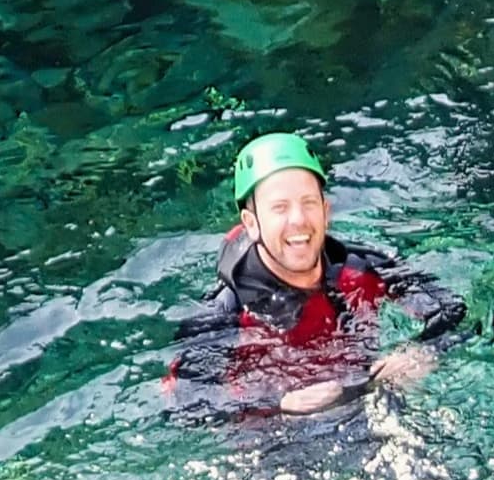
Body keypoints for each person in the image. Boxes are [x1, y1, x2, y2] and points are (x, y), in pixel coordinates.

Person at [165, 131, 467, 429]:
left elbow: (455, 311)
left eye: (308, 203)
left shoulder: (363, 270)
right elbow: (184, 402)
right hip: (274, 442)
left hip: (368, 411)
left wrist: (420, 351)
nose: (298, 219)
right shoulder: (224, 313)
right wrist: (277, 404)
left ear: (325, 212)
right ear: (252, 224)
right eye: (279, 208)